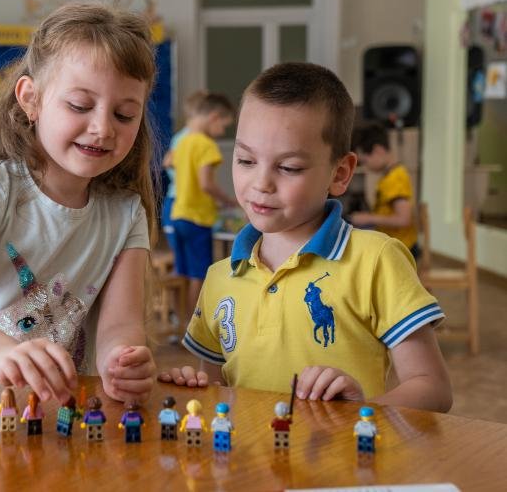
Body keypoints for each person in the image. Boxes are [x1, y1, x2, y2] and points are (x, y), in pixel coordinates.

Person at [159, 63, 452, 413]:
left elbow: (433, 390)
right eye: (245, 160)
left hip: (342, 466)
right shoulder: (220, 276)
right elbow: (217, 389)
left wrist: (361, 410)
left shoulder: (377, 260)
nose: (261, 183)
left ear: (340, 173)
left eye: (289, 168)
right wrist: (196, 390)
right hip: (244, 467)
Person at [0, 2, 157, 405]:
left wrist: (121, 361)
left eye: (125, 114)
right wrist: (3, 354)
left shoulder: (125, 211)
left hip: (48, 410)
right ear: (31, 99)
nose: (102, 128)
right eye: (80, 106)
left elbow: (121, 324)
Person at [169, 92, 239, 316]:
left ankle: (180, 323)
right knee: (199, 275)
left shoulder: (183, 142)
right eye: (224, 126)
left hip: (178, 214)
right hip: (197, 219)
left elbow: (170, 166)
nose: (222, 132)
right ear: (214, 117)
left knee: (183, 272)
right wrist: (228, 200)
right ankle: (194, 325)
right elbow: (206, 184)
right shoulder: (207, 145)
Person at [349, 120, 419, 257]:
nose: (366, 166)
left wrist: (368, 218)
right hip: (396, 245)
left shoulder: (395, 178)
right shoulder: (390, 176)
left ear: (378, 151)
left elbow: (404, 219)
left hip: (403, 248)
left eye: (365, 161)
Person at [160, 90, 207, 251]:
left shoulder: (182, 137)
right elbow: (167, 162)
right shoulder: (190, 139)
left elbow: (167, 162)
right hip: (182, 201)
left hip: (178, 199)